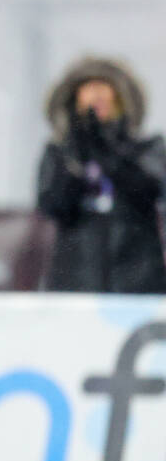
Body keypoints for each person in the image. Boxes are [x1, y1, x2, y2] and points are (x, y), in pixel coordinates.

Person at [37, 57, 166, 293]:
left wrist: (110, 154)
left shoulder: (146, 149)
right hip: (75, 282)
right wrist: (77, 156)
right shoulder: (60, 152)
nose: (97, 98)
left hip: (137, 280)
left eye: (105, 90)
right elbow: (52, 205)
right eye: (88, 90)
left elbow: (149, 192)